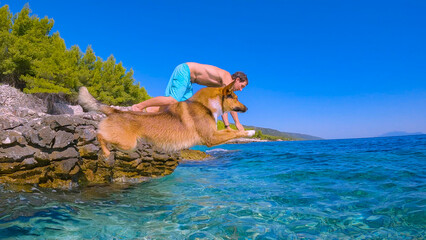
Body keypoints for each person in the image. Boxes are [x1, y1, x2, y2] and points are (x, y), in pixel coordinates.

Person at [131, 62, 248, 131]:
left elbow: (224, 107)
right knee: (173, 100)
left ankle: (150, 111)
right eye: (241, 85)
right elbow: (230, 104)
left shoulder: (223, 86)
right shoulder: (227, 78)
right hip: (185, 71)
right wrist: (237, 123)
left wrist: (227, 126)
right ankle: (139, 106)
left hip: (189, 81)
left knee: (184, 107)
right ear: (237, 79)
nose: (241, 89)